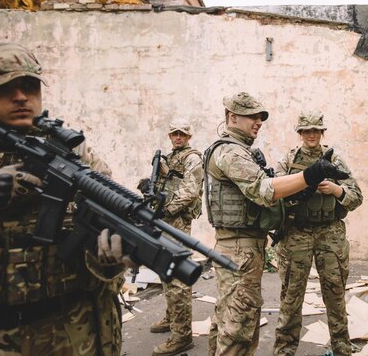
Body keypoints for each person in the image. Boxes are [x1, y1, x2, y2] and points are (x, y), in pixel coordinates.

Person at [0, 40, 127, 355]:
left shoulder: (70, 150)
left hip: (78, 333)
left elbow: (107, 213)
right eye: (4, 87)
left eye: (29, 86)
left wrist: (110, 257)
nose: (21, 96)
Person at [205, 92, 349, 356]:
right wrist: (309, 176)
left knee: (231, 315)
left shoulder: (242, 151)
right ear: (232, 117)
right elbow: (264, 190)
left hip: (317, 235)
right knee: (240, 321)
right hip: (246, 245)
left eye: (260, 117)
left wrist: (338, 192)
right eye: (252, 116)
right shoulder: (231, 152)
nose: (258, 121)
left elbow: (354, 193)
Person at [273, 111, 363, 356]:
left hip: (330, 233)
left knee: (335, 295)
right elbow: (274, 194)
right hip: (297, 234)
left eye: (316, 130)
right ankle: (284, 351)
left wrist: (336, 190)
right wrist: (301, 186)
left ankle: (342, 349)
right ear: (300, 133)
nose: (311, 134)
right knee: (291, 297)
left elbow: (356, 198)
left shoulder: (335, 160)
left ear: (322, 132)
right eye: (306, 130)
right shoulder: (288, 161)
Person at [144, 120, 203, 356]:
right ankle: (172, 317)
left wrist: (164, 209)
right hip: (163, 221)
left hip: (176, 222)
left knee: (177, 278)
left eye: (182, 134)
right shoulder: (168, 158)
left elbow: (189, 191)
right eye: (174, 134)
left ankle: (182, 336)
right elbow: (163, 187)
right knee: (165, 272)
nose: (178, 138)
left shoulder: (192, 158)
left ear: (189, 137)